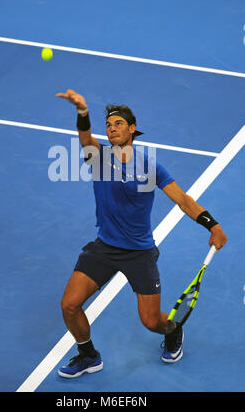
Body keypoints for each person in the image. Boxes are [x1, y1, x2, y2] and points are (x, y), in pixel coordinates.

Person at [55, 89, 227, 378]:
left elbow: (183, 200)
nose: (112, 128)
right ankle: (88, 355)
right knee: (69, 305)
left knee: (151, 321)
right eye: (108, 125)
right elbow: (85, 140)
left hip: (139, 253)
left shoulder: (150, 166)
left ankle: (173, 330)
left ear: (132, 129)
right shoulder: (98, 158)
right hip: (104, 247)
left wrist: (213, 225)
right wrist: (82, 112)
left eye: (118, 123)